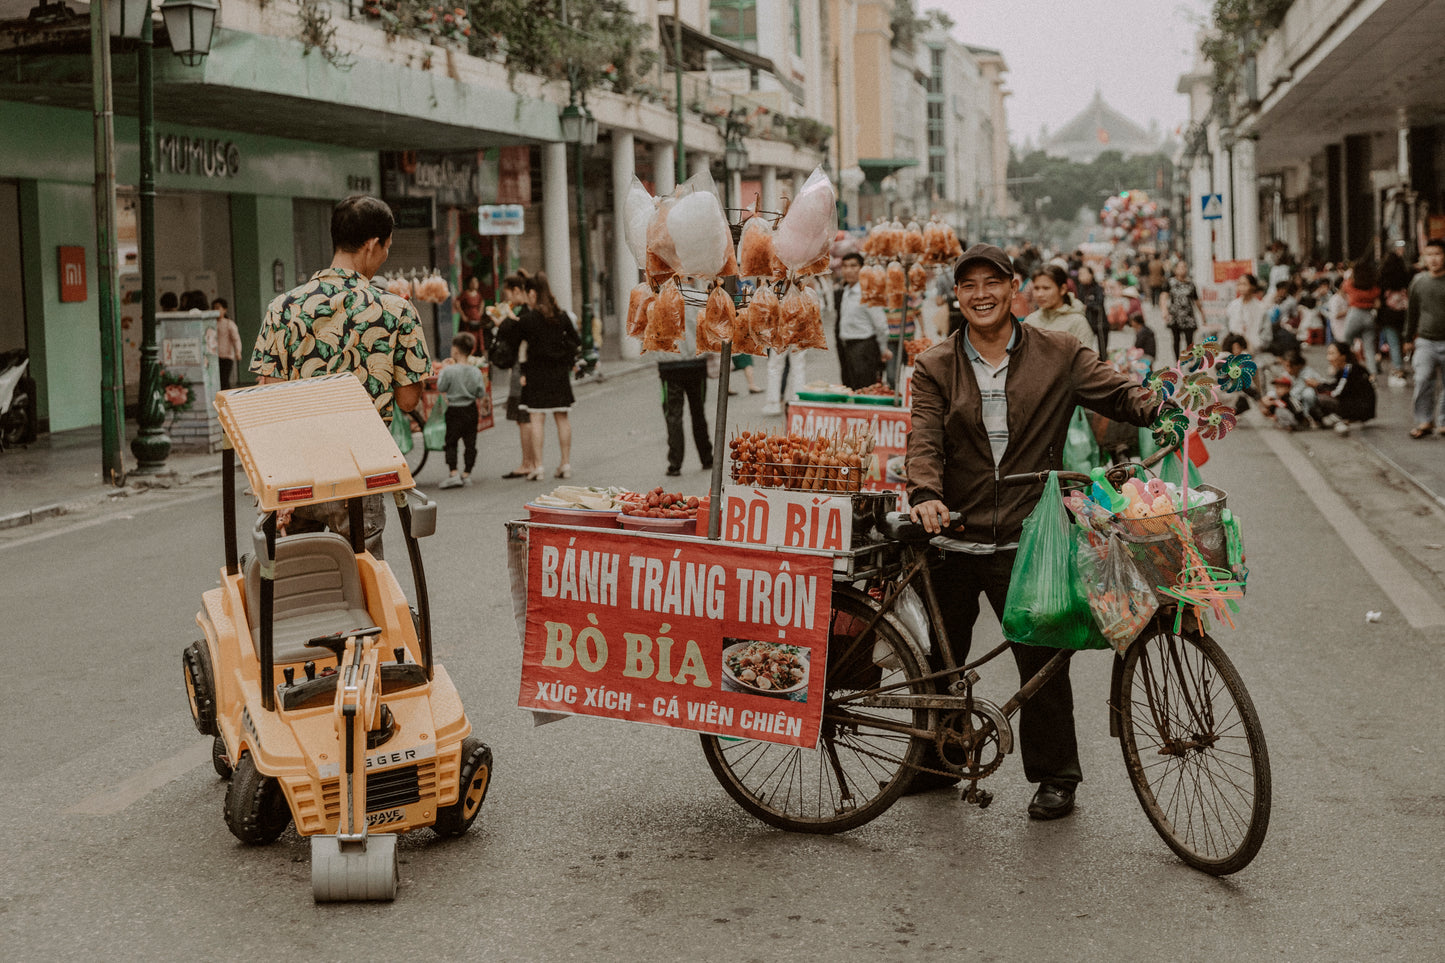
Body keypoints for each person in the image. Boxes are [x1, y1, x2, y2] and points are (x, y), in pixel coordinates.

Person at [905, 243, 1158, 818]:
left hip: (1029, 534)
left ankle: (1055, 776)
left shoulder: (1059, 352)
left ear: (1013, 288)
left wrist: (1162, 406)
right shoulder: (935, 364)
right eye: (968, 286)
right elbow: (924, 439)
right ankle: (938, 757)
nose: (981, 295)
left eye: (991, 283)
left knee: (1042, 662)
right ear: (957, 297)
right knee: (940, 660)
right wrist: (925, 494)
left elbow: (1117, 392)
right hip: (953, 533)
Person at [249, 194, 430, 555]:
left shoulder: (282, 307)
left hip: (297, 476)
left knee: (304, 582)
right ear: (373, 244)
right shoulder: (396, 310)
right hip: (360, 474)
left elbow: (267, 394)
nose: (384, 258)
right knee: (364, 583)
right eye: (386, 249)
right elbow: (409, 399)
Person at [497, 272, 579, 479]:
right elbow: (575, 341)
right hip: (559, 373)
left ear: (532, 293)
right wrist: (567, 359)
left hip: (536, 374)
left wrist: (507, 322)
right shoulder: (562, 316)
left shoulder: (529, 319)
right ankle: (565, 464)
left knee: (536, 418)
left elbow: (513, 340)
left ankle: (539, 467)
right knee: (562, 418)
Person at [656, 281, 714, 477]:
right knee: (698, 411)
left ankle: (675, 463)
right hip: (695, 363)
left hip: (669, 364)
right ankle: (706, 457)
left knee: (673, 415)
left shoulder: (659, 299)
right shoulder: (698, 297)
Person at [492, 274, 537, 478]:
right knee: (526, 416)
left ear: (518, 291)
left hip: (523, 366)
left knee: (523, 416)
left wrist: (504, 323)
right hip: (526, 365)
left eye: (508, 293)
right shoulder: (526, 310)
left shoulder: (525, 312)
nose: (508, 298)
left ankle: (528, 463)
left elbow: (517, 334)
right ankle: (531, 462)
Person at [435, 333, 487, 489]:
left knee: (451, 442)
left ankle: (453, 472)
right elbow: (480, 392)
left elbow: (441, 387)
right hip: (471, 409)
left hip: (454, 410)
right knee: (470, 442)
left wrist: (444, 369)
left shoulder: (449, 371)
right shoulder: (476, 371)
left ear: (456, 351)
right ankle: (467, 473)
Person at [1405, 238, 1445, 438]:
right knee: (1422, 379)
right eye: (1429, 255)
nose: (1433, 259)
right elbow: (1412, 312)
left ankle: (1444, 422)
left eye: (1437, 254)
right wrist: (1407, 337)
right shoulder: (1418, 282)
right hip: (1425, 341)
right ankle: (1424, 421)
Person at [836, 252, 891, 389]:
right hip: (846, 348)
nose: (848, 270)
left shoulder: (868, 293)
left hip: (864, 348)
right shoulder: (845, 292)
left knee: (864, 388)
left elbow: (881, 325)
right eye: (845, 266)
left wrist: (883, 349)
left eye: (853, 266)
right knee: (849, 387)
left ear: (862, 268)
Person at [1309, 342, 1375, 433]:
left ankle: (1344, 418)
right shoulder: (1348, 369)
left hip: (1360, 408)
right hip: (1358, 405)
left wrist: (1319, 386)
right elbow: (1338, 385)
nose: (1328, 358)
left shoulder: (1348, 370)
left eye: (1332, 354)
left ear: (1343, 356)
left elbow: (1338, 391)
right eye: (1328, 354)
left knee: (1321, 399)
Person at [1023, 265, 1095, 347]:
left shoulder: (1077, 323)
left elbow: (1086, 358)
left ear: (1062, 289)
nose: (1039, 294)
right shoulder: (1030, 321)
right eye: (1036, 288)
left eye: (1046, 288)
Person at [1340, 258, 1381, 374]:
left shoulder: (1349, 285)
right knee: (1369, 349)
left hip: (1354, 314)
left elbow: (1342, 292)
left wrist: (1350, 300)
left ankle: (1346, 371)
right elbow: (1378, 304)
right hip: (1369, 316)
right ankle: (1372, 376)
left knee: (1346, 344)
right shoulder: (1374, 288)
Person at [1377, 251, 1410, 387]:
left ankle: (1398, 368)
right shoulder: (1405, 276)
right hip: (1404, 313)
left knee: (1393, 342)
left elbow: (1379, 298)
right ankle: (1398, 364)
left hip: (1388, 314)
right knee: (1401, 341)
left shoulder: (1383, 277)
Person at [1160, 260, 1205, 360]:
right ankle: (1177, 361)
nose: (1182, 270)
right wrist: (1164, 311)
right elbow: (1163, 297)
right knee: (1176, 339)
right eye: (1180, 267)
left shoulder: (1191, 284)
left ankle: (1190, 359)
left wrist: (1202, 315)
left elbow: (1196, 301)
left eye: (1184, 267)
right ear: (1175, 269)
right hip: (1175, 315)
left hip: (1188, 316)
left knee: (1190, 340)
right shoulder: (1170, 282)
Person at [1225, 274, 1267, 354]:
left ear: (1253, 287)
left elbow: (1266, 335)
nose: (1241, 287)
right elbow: (1226, 328)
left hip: (1254, 350)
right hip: (1233, 349)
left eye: (1244, 284)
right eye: (1239, 284)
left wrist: (1254, 346)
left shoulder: (1261, 308)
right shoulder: (1232, 306)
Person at [1075, 264, 1107, 357]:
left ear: (1091, 275)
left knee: (1102, 350)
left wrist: (1087, 306)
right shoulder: (1080, 287)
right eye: (1079, 274)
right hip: (1086, 322)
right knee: (1085, 347)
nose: (1080, 276)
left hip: (1099, 323)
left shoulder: (1098, 288)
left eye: (1083, 274)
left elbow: (1099, 303)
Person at [212, 297, 242, 389]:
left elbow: (236, 339)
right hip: (215, 356)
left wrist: (238, 351)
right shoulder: (212, 323)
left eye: (218, 308)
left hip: (226, 356)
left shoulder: (229, 323)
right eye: (214, 308)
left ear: (224, 309)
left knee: (224, 380)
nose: (215, 310)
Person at [456, 276, 487, 355]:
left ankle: (479, 354)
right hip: (468, 319)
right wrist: (463, 315)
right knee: (469, 337)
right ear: (469, 284)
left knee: (479, 338)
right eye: (472, 282)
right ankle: (469, 353)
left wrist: (480, 311)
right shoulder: (465, 294)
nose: (475, 284)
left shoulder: (478, 294)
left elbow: (482, 302)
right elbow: (457, 303)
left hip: (477, 318)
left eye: (476, 282)